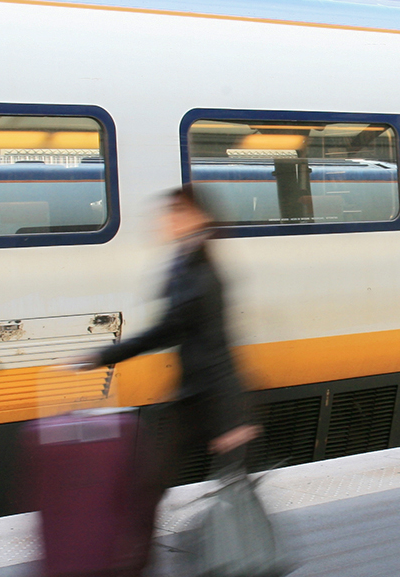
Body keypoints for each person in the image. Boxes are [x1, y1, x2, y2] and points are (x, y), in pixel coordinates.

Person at [83, 185, 259, 569]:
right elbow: (170, 328)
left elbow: (215, 346)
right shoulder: (184, 261)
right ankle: (135, 563)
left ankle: (252, 559)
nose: (166, 221)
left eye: (174, 214)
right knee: (149, 486)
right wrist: (102, 356)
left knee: (231, 491)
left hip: (212, 401)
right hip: (190, 398)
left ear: (198, 217)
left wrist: (234, 420)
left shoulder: (204, 273)